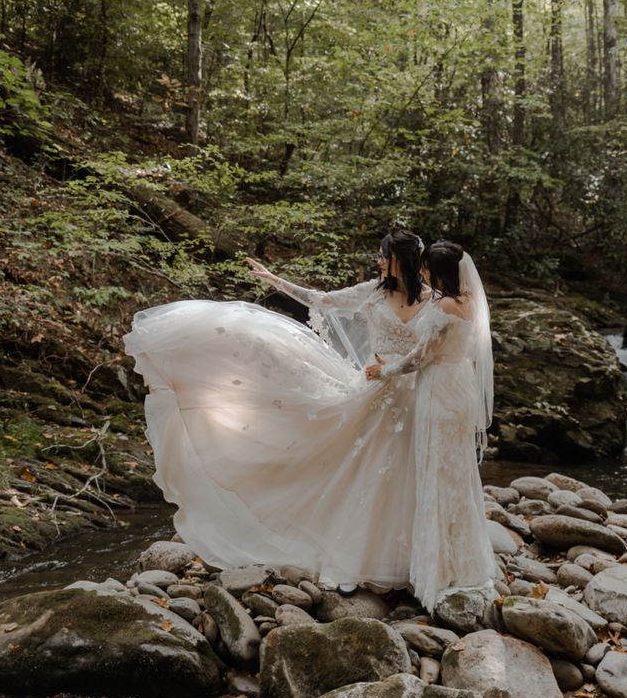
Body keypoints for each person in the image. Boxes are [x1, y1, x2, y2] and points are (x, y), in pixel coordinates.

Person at [123, 227, 433, 596]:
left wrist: (399, 370)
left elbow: (436, 349)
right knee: (366, 470)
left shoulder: (432, 300)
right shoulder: (373, 291)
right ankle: (358, 556)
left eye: (384, 255)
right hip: (373, 390)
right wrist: (276, 281)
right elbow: (321, 299)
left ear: (401, 260)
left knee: (401, 473)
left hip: (413, 395)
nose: (378, 261)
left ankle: (410, 557)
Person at [365, 241, 497, 611]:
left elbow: (421, 356)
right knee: (455, 472)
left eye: (425, 268)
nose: (420, 273)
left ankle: (439, 569)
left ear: (438, 272)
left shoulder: (443, 306)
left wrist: (384, 370)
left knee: (436, 473)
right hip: (460, 385)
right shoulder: (468, 300)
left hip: (438, 388)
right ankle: (463, 559)